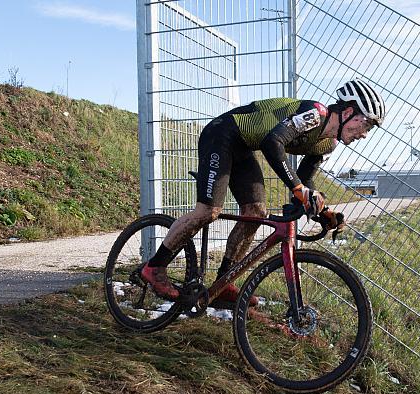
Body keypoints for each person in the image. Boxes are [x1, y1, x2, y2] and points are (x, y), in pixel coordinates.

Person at [141, 78, 386, 307]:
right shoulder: (315, 114)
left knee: (256, 213)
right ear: (346, 113)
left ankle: (223, 283)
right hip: (222, 135)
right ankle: (155, 267)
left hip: (244, 147)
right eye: (365, 124)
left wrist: (321, 210)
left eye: (370, 129)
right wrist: (298, 188)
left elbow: (304, 180)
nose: (364, 134)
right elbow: (273, 143)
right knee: (208, 211)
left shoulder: (328, 143)